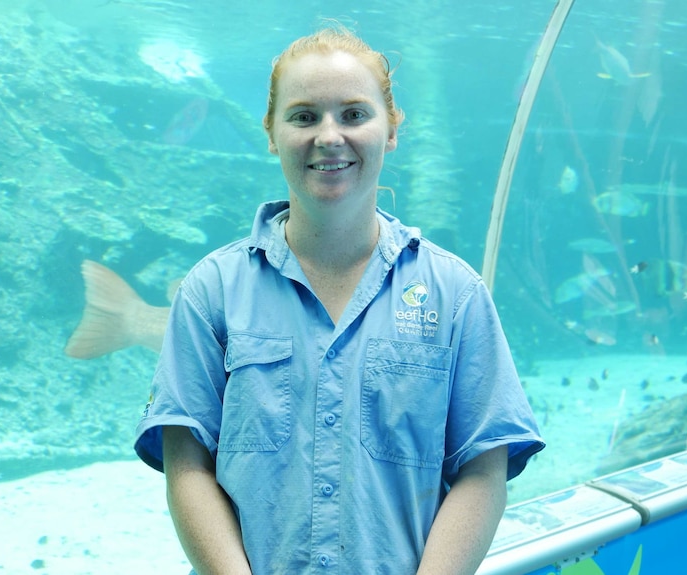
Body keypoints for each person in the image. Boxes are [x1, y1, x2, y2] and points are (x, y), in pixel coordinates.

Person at [134, 24, 544, 575]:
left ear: (391, 129)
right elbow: (187, 466)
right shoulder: (212, 290)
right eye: (304, 116)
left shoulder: (456, 294)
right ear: (271, 133)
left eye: (354, 114)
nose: (330, 136)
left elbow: (483, 467)